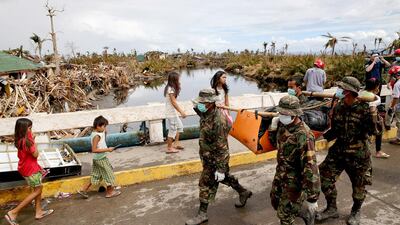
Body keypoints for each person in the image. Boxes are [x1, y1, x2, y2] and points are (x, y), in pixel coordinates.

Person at [185, 89, 252, 225]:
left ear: (210, 103)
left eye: (202, 103)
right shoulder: (206, 112)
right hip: (207, 156)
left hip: (216, 159)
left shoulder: (218, 121)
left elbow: (223, 149)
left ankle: (202, 214)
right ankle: (243, 191)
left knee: (205, 183)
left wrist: (220, 168)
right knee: (224, 178)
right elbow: (198, 110)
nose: (199, 105)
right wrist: (196, 105)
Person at [316, 76, 376, 225]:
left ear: (348, 91)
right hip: (339, 151)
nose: (339, 90)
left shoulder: (364, 109)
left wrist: (374, 115)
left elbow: (375, 131)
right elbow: (335, 129)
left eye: (341, 88)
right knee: (324, 176)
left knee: (359, 186)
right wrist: (319, 137)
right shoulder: (339, 107)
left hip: (358, 154)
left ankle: (356, 211)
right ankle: (331, 208)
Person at [268, 95, 320, 225]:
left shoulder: (304, 135)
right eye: (281, 113)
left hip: (295, 182)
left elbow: (310, 166)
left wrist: (312, 198)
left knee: (284, 216)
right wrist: (272, 128)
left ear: (295, 114)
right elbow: (275, 144)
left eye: (285, 113)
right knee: (275, 202)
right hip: (280, 174)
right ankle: (303, 214)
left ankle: (295, 213)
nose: (282, 115)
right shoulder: (283, 125)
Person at [4, 118, 54, 225]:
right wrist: (34, 141)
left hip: (24, 168)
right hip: (32, 170)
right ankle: (13, 212)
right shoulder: (28, 142)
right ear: (24, 129)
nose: (31, 130)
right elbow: (36, 154)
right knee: (37, 190)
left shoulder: (19, 140)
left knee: (38, 188)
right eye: (30, 128)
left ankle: (38, 211)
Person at [78, 116, 121, 198]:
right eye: (104, 126)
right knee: (109, 174)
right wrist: (108, 149)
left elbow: (103, 135)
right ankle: (110, 192)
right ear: (98, 126)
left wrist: (104, 130)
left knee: (96, 175)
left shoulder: (96, 133)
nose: (105, 128)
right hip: (101, 158)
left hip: (97, 159)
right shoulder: (96, 136)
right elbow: (94, 149)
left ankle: (84, 190)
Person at [359, 78, 389, 158]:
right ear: (376, 86)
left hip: (358, 117)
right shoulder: (375, 97)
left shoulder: (361, 93)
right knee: (378, 132)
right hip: (369, 119)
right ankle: (378, 151)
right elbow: (373, 109)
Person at [164, 72, 187, 153]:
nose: (179, 80)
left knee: (180, 127)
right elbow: (173, 102)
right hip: (171, 113)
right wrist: (181, 112)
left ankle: (176, 144)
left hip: (173, 113)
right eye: (178, 78)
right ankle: (169, 148)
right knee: (173, 130)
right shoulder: (170, 89)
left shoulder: (171, 88)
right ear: (174, 79)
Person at [386, 66, 400, 145]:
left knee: (399, 121)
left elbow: (395, 98)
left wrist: (391, 107)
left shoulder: (397, 84)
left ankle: (399, 139)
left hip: (398, 104)